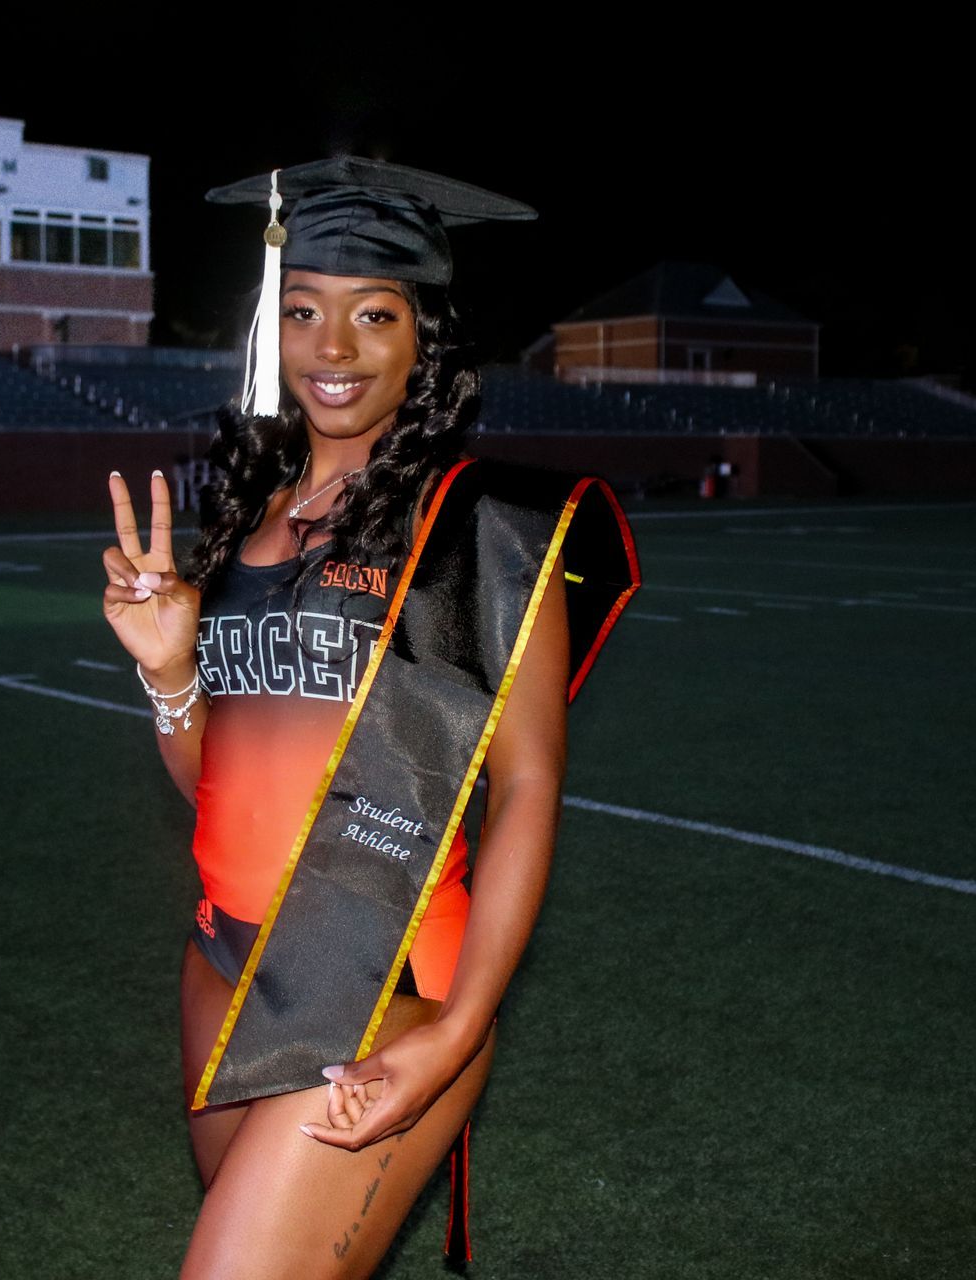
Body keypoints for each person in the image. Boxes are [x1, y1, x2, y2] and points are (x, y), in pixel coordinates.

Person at [101, 158, 638, 1279]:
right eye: (302, 311)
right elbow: (219, 776)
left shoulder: (479, 526)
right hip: (223, 970)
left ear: (425, 339)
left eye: (372, 315)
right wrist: (168, 674)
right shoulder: (248, 514)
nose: (331, 348)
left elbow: (528, 783)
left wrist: (454, 1028)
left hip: (384, 983)